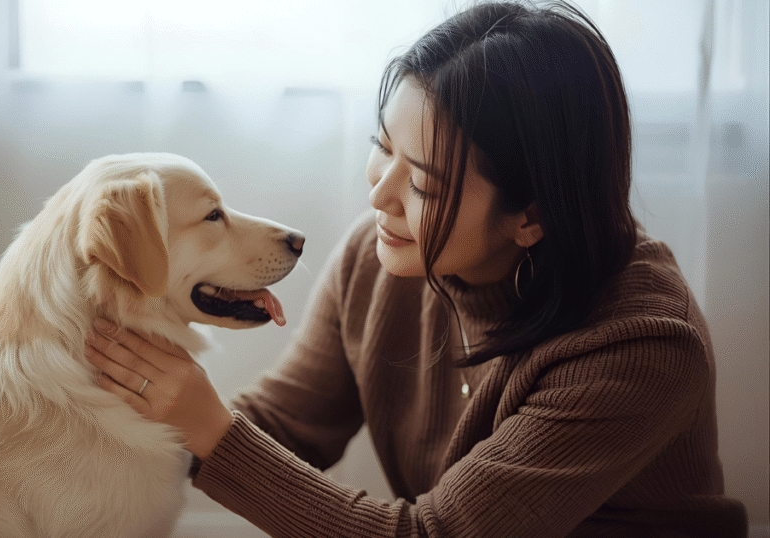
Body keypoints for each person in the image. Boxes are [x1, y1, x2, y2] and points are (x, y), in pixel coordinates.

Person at [84, 1, 750, 536]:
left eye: (425, 186)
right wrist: (91, 426)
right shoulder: (383, 260)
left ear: (532, 217)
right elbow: (286, 427)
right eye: (383, 145)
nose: (378, 195)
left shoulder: (641, 346)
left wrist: (208, 428)